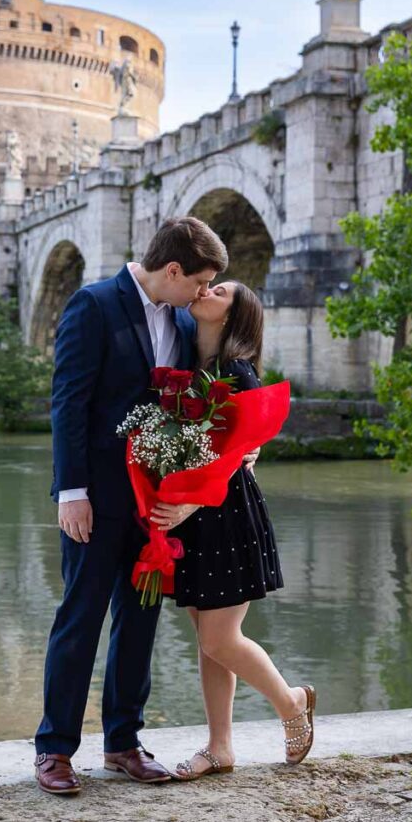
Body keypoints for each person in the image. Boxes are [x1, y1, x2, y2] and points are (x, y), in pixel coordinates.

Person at [34, 218, 228, 795]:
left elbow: (194, 401)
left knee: (139, 623)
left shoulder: (185, 319)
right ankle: (54, 749)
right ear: (172, 271)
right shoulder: (93, 305)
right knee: (81, 619)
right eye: (198, 282)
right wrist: (72, 493)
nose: (202, 294)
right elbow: (68, 403)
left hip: (156, 505)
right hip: (94, 501)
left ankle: (123, 742)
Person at [151, 281, 316, 779]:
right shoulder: (190, 363)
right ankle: (220, 747)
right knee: (206, 635)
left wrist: (188, 505)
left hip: (224, 514)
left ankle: (291, 704)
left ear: (232, 314)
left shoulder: (235, 371)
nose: (205, 290)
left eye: (218, 290)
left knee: (220, 639)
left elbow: (231, 453)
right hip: (197, 514)